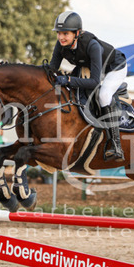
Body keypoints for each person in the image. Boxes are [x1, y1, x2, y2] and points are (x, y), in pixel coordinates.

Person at [48, 11, 127, 161]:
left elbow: (94, 82)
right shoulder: (61, 45)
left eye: (65, 33)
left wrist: (68, 79)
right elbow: (52, 69)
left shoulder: (92, 45)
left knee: (104, 96)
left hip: (113, 68)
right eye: (59, 33)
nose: (61, 37)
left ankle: (115, 145)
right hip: (90, 67)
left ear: (77, 33)